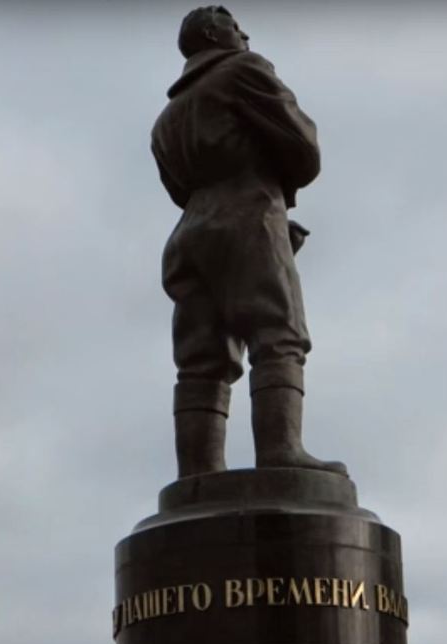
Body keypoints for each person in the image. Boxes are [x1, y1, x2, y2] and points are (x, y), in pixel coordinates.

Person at [152, 6, 346, 478]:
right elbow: (303, 147)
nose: (245, 33)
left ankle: (198, 474)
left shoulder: (166, 119)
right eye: (236, 26)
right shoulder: (245, 70)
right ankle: (282, 451)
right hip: (250, 213)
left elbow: (177, 188)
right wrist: (272, 197)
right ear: (214, 33)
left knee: (200, 359)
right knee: (278, 335)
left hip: (189, 233)